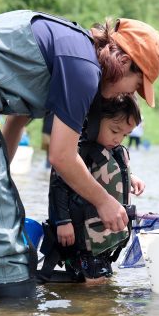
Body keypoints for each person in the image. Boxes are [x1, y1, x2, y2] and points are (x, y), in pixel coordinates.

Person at [0, 10, 159, 298]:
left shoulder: (73, 50)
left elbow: (16, 120)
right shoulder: (84, 68)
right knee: (8, 258)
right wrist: (104, 201)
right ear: (124, 62)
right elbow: (61, 156)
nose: (132, 94)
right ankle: (11, 309)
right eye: (137, 85)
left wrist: (0, 182)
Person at [38, 94, 145, 284]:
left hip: (102, 239)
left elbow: (110, 173)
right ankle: (86, 313)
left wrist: (131, 178)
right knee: (94, 284)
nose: (118, 139)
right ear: (95, 120)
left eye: (125, 135)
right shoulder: (79, 152)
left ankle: (95, 309)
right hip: (83, 236)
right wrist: (63, 221)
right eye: (114, 130)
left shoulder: (113, 150)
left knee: (103, 281)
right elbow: (58, 185)